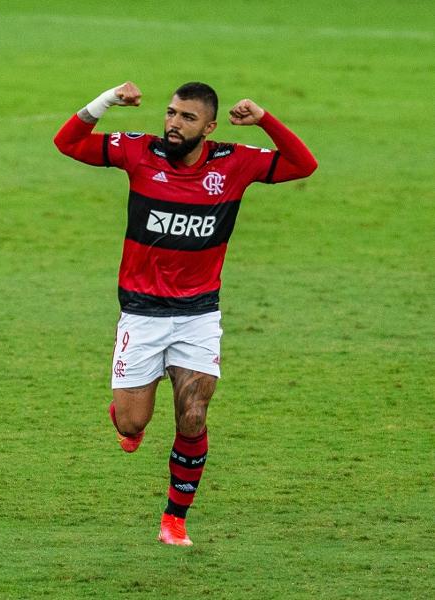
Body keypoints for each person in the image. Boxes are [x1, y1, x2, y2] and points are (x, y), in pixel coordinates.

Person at [54, 80, 317, 546]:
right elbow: (67, 143)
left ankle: (174, 519)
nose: (173, 124)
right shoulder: (140, 153)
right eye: (171, 113)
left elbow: (303, 164)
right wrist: (108, 99)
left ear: (209, 126)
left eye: (187, 118)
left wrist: (265, 119)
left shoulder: (233, 163)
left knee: (193, 416)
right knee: (134, 423)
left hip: (198, 313)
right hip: (141, 311)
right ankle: (127, 410)